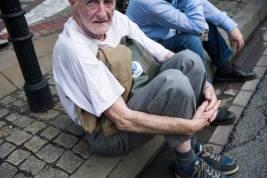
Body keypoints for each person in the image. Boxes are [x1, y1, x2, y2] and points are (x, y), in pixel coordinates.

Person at [53, 0, 239, 177]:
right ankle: (187, 165)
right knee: (174, 83)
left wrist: (206, 85)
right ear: (73, 3)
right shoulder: (74, 49)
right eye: (91, 2)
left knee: (190, 60)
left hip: (133, 93)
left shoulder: (116, 18)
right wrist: (191, 125)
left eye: (108, 2)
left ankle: (194, 147)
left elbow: (162, 54)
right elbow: (122, 119)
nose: (102, 13)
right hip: (107, 132)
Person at [125, 0, 257, 126]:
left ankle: (225, 68)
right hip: (149, 53)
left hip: (165, 40)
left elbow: (202, 4)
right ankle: (206, 104)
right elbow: (197, 27)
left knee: (202, 17)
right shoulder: (150, 3)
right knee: (191, 39)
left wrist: (230, 26)